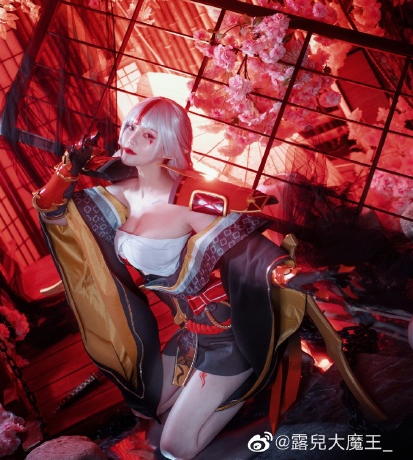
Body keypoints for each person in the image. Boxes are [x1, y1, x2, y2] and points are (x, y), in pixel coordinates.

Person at [32, 96, 310, 459]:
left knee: (174, 448)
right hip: (190, 334)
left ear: (169, 147)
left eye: (148, 135)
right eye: (131, 126)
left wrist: (283, 271)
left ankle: (281, 427)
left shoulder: (192, 198)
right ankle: (246, 401)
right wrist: (69, 168)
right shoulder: (117, 196)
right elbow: (51, 210)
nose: (131, 138)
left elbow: (243, 243)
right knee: (151, 409)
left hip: (227, 335)